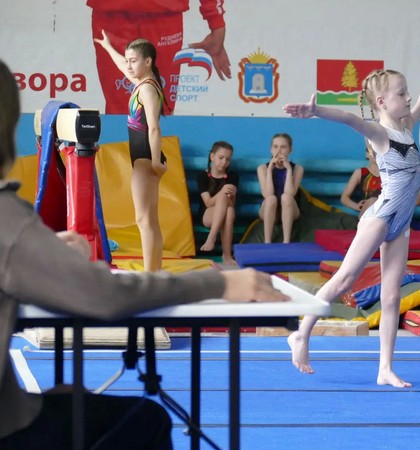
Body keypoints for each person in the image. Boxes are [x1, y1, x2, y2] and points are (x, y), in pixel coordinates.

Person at [0, 59, 287, 449]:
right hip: (11, 431)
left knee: (147, 222)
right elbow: (105, 296)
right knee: (148, 419)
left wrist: (44, 253)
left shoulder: (148, 89)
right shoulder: (8, 220)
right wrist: (215, 281)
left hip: (148, 165)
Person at [283, 58, 420, 388]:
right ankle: (302, 333)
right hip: (381, 217)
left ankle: (385, 369)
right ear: (381, 101)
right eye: (401, 94)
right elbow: (350, 118)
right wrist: (316, 110)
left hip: (401, 223)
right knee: (344, 279)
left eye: (407, 92)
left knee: (391, 297)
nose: (408, 98)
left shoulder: (407, 127)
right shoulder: (380, 134)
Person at [94, 32, 168, 272]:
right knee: (149, 220)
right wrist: (108, 46)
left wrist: (155, 162)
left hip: (146, 158)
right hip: (145, 157)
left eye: (133, 61)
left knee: (144, 221)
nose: (128, 65)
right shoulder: (143, 84)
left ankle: (150, 274)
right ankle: (154, 272)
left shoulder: (147, 89)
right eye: (128, 60)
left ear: (148, 61)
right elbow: (121, 66)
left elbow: (154, 128)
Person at [89, 0, 231, 114]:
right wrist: (216, 22)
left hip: (164, 13)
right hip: (111, 14)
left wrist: (216, 21)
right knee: (121, 111)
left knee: (159, 108)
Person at [257, 133, 304, 243]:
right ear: (271, 149)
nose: (279, 151)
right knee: (271, 199)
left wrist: (289, 170)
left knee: (286, 197)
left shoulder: (298, 168)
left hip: (290, 210)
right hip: (268, 209)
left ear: (290, 150)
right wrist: (270, 170)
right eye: (275, 147)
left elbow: (291, 193)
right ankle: (267, 241)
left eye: (283, 147)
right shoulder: (262, 168)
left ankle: (286, 241)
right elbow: (267, 194)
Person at [197, 140, 238, 264]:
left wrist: (232, 193)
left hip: (227, 212)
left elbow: (231, 204)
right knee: (224, 198)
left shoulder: (233, 176)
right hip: (207, 214)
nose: (224, 162)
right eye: (221, 158)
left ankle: (224, 252)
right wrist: (222, 193)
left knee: (229, 211)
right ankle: (218, 243)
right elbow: (208, 203)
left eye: (228, 159)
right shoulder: (202, 176)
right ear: (212, 156)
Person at [340, 141, 382, 218]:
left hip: (385, 212)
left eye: (379, 151)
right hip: (367, 212)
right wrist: (356, 206)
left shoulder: (389, 174)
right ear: (367, 154)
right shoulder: (360, 172)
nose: (376, 154)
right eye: (373, 151)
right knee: (373, 200)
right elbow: (344, 198)